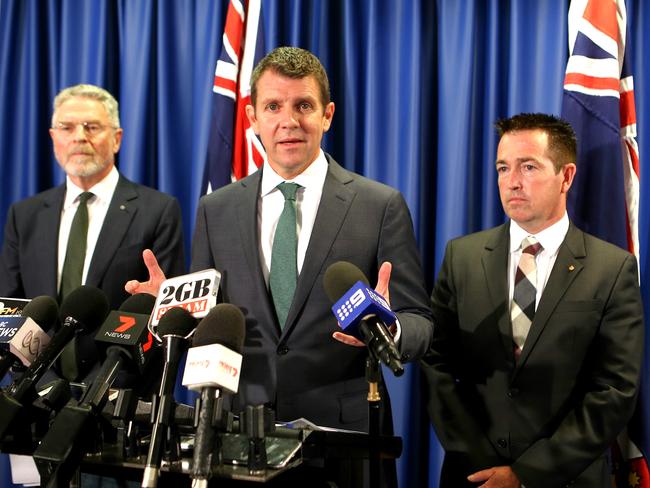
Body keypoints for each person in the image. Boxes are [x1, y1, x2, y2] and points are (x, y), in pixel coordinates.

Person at [127, 46, 432, 483]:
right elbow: (208, 329)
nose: (288, 120)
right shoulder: (216, 209)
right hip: (236, 438)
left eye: (303, 105)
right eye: (273, 106)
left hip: (342, 443)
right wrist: (170, 310)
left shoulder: (379, 205)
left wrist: (388, 328)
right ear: (252, 117)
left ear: (327, 115)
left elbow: (419, 321)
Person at [421, 113, 643, 487]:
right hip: (475, 476)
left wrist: (526, 474)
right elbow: (436, 365)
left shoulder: (612, 269)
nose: (512, 182)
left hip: (566, 478)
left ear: (566, 176)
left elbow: (614, 391)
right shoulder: (462, 257)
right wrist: (478, 459)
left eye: (528, 167)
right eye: (503, 167)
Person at [0, 84, 185, 381]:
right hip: (34, 398)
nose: (79, 137)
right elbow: (11, 311)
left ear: (117, 139)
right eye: (66, 127)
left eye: (92, 126)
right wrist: (44, 386)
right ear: (53, 137)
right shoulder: (24, 215)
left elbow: (163, 317)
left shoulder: (158, 210)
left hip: (118, 399)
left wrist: (96, 394)